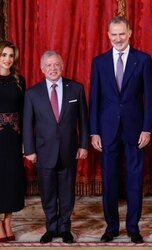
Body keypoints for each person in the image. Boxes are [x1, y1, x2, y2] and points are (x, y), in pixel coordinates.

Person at [89, 16, 152, 244]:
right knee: (109, 180)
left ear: (129, 34)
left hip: (135, 130)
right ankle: (112, 227)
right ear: (108, 36)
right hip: (107, 131)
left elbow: (149, 97)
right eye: (113, 34)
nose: (118, 38)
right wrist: (94, 131)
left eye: (121, 33)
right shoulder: (99, 62)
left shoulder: (144, 60)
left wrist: (147, 128)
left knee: (135, 179)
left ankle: (133, 228)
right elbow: (94, 98)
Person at [23, 50, 88, 244]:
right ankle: (51, 227)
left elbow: (83, 121)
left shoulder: (76, 88)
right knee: (48, 191)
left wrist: (83, 145)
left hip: (69, 150)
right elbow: (28, 124)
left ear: (62, 66)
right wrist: (30, 150)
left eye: (56, 65)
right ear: (42, 69)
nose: (53, 68)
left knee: (67, 191)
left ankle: (65, 227)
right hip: (44, 151)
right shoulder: (32, 93)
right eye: (49, 65)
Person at [0, 41, 25, 242]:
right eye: (3, 55)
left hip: (13, 138)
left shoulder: (19, 80)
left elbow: (24, 112)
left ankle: (8, 220)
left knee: (11, 179)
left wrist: (25, 140)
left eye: (10, 55)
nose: (7, 59)